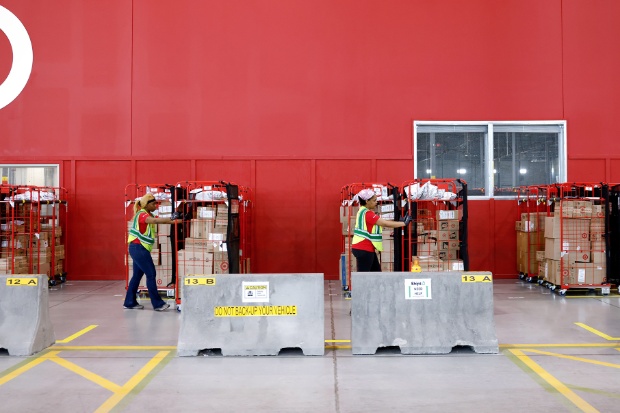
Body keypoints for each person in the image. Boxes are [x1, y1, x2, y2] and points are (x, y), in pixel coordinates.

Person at [123, 193, 181, 311]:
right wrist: (171, 218)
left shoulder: (147, 214)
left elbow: (164, 222)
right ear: (147, 204)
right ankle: (158, 304)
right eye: (154, 203)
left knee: (136, 276)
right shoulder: (142, 215)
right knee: (151, 274)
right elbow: (154, 221)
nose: (156, 205)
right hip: (138, 248)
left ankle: (129, 302)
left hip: (138, 248)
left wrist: (180, 220)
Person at [351, 188, 411, 272]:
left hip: (363, 248)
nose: (376, 202)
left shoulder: (362, 211)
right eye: (374, 200)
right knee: (364, 278)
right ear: (367, 201)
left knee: (376, 274)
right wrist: (404, 223)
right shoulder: (368, 214)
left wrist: (399, 222)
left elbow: (381, 222)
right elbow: (384, 223)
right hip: (364, 249)